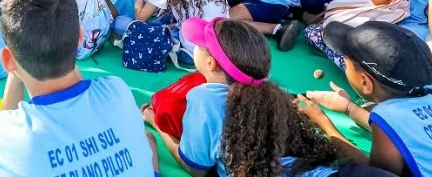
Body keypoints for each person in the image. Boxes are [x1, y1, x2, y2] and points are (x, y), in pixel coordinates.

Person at [0, 0, 159, 177]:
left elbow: (3, 129)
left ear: (8, 61)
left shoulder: (0, 133)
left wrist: (16, 70)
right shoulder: (117, 89)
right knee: (148, 140)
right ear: (80, 36)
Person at [144, 17, 382, 177]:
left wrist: (156, 123)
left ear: (210, 62)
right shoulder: (269, 90)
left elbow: (196, 168)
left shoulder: (204, 99)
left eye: (199, 44)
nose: (195, 45)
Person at [297, 20, 432, 177]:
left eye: (346, 64)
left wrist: (323, 123)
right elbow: (407, 125)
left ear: (366, 82)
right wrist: (348, 108)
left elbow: (373, 173)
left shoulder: (387, 115)